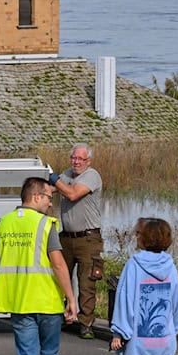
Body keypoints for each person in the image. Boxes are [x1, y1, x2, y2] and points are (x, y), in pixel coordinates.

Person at [0, 177, 79, 355]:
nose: (50, 203)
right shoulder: (46, 224)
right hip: (48, 303)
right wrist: (71, 298)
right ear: (36, 196)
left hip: (19, 303)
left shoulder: (2, 224)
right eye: (49, 197)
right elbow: (58, 264)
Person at [110, 217, 178, 355]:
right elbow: (176, 303)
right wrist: (173, 330)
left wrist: (119, 331)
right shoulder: (170, 266)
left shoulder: (134, 265)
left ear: (143, 238)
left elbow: (125, 300)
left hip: (136, 339)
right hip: (162, 339)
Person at [48, 142, 104, 339]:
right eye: (74, 158)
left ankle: (86, 323)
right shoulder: (66, 174)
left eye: (81, 159)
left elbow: (72, 194)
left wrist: (55, 181)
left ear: (88, 161)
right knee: (60, 278)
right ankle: (61, 317)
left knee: (86, 281)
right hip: (67, 236)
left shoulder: (92, 176)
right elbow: (51, 189)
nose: (76, 162)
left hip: (88, 238)